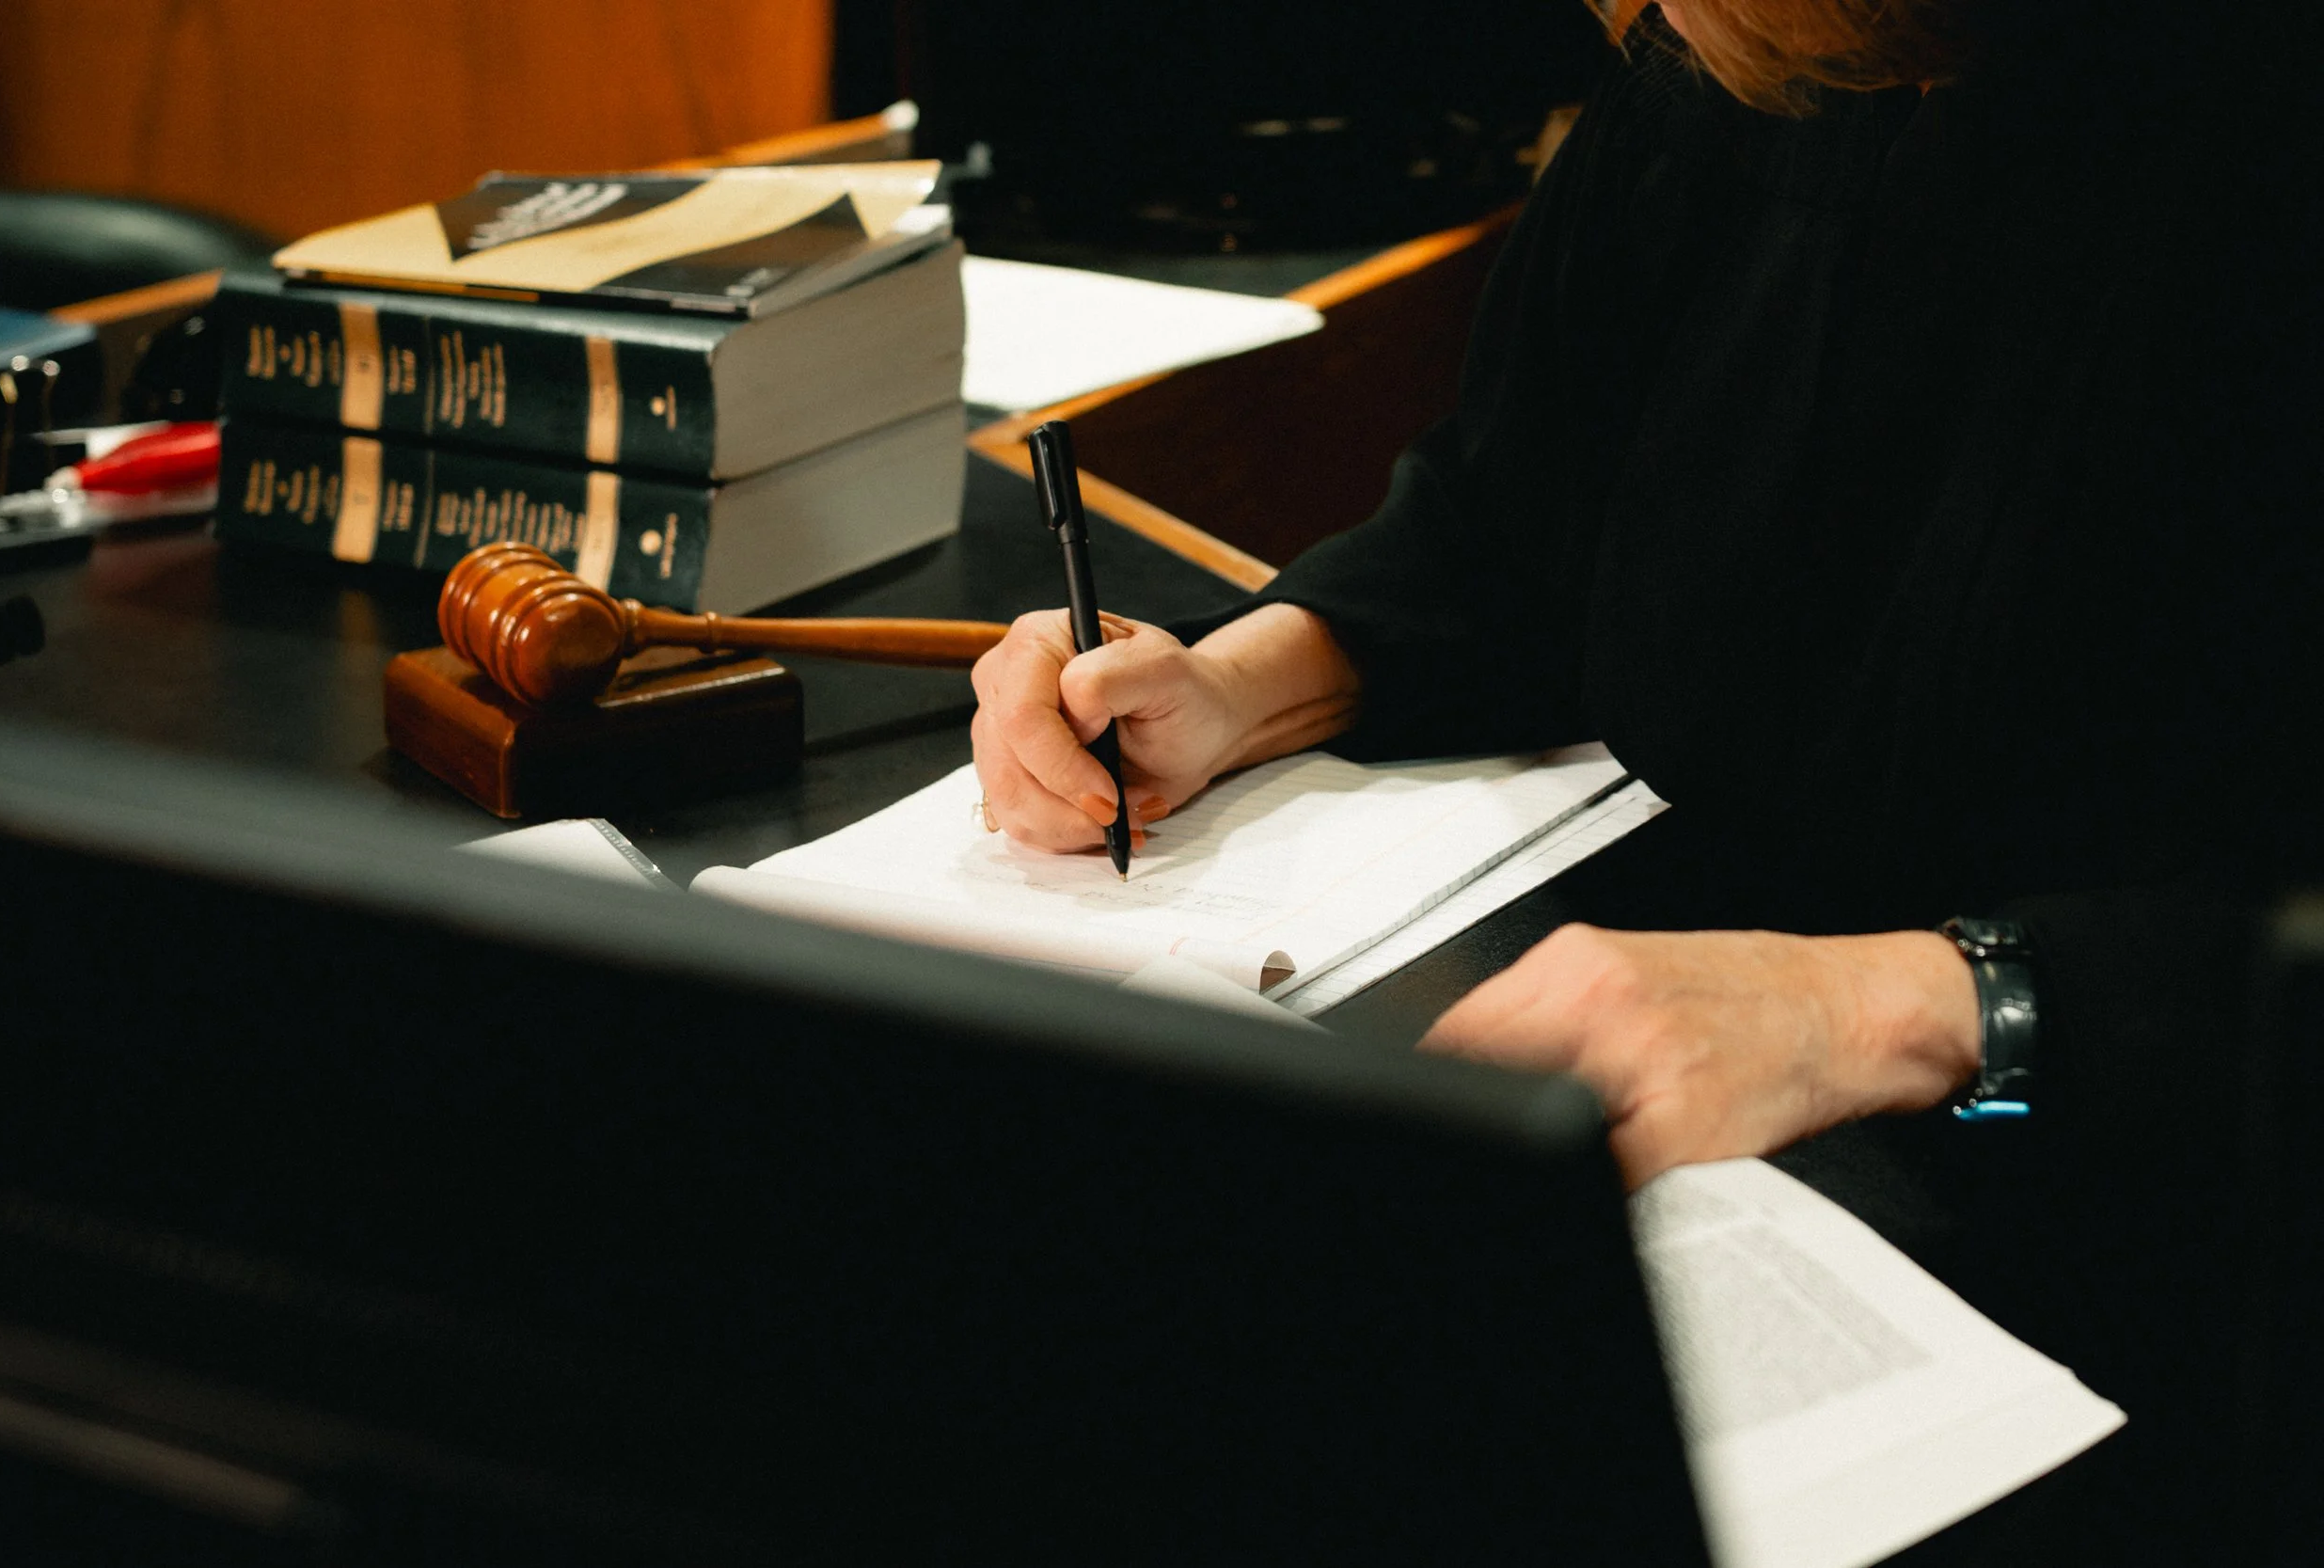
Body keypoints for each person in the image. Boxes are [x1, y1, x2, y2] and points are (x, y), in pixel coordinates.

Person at [972, 4, 2317, 1547]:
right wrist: (1246, 677)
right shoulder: (1740, 68)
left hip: (2174, 1233)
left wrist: (1898, 1003)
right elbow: (1524, 516)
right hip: (1750, 1149)